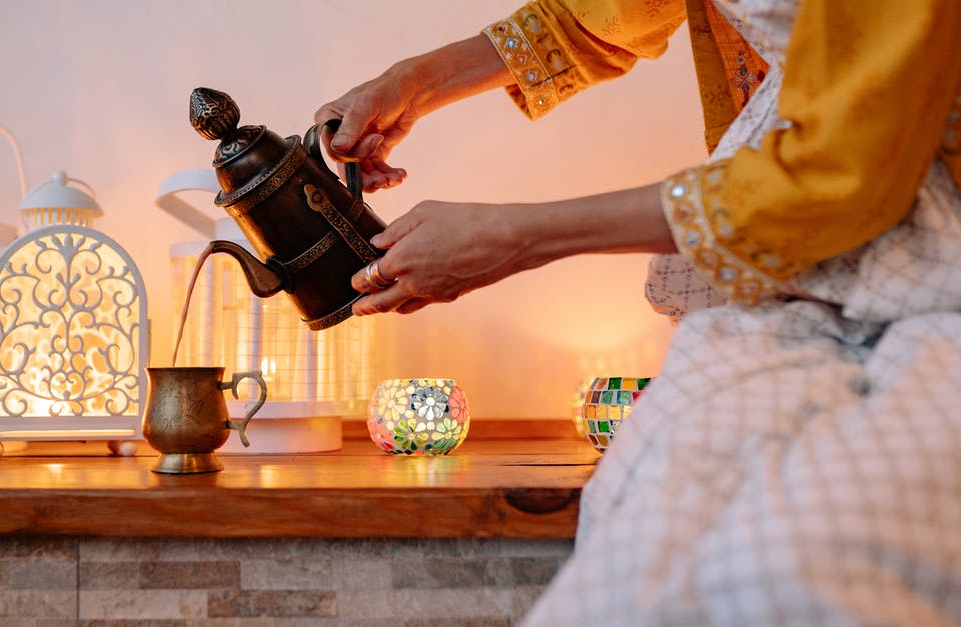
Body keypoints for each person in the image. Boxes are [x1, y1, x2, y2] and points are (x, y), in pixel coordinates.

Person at [316, 1, 961, 625]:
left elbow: (836, 171)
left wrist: (516, 237)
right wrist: (410, 85)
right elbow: (607, 13)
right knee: (648, 526)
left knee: (785, 566)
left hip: (926, 262)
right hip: (794, 279)